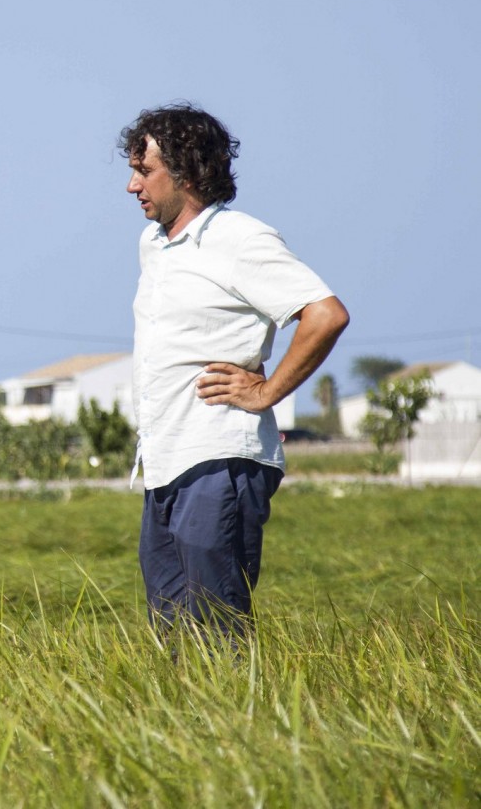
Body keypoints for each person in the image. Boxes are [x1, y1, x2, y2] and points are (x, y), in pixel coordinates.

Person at [119, 103, 350, 639]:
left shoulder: (239, 239)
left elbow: (324, 314)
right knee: (173, 631)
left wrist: (266, 391)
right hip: (164, 462)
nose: (132, 186)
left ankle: (238, 721)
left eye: (144, 170)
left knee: (217, 629)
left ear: (188, 171)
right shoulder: (153, 244)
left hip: (220, 455)